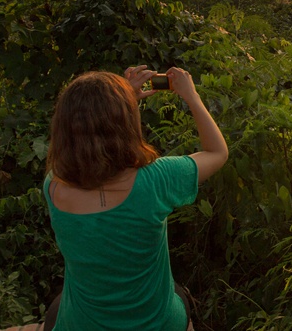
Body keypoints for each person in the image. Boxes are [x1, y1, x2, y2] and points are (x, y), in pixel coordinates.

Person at [42, 65, 228, 330]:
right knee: (178, 292)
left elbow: (89, 145)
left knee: (59, 306)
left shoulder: (54, 186)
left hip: (82, 324)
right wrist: (192, 97)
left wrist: (120, 100)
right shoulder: (158, 179)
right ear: (126, 122)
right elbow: (217, 152)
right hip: (156, 325)